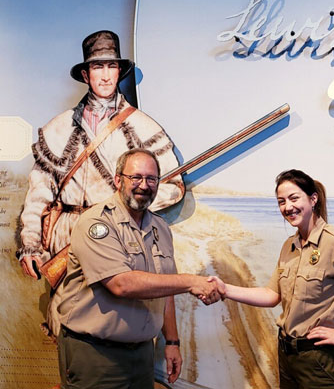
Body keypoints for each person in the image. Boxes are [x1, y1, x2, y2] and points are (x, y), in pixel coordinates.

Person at [17, 30, 185, 337]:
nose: (106, 76)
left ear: (120, 71)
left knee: (120, 318)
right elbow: (38, 193)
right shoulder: (58, 127)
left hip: (120, 234)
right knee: (64, 318)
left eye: (111, 67)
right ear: (85, 73)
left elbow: (171, 186)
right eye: (98, 67)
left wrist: (123, 206)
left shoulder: (143, 126)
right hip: (67, 235)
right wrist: (30, 244)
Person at [209, 169, 334, 389]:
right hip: (287, 355)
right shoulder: (290, 245)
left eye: (294, 198)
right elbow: (272, 294)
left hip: (320, 360)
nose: (288, 207)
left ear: (313, 199)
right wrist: (224, 288)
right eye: (281, 201)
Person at [56, 148, 221, 388]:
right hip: (96, 355)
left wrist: (172, 342)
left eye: (151, 179)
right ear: (118, 180)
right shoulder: (97, 223)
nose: (144, 185)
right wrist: (191, 281)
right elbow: (121, 284)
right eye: (136, 177)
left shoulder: (160, 228)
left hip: (142, 356)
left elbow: (165, 291)